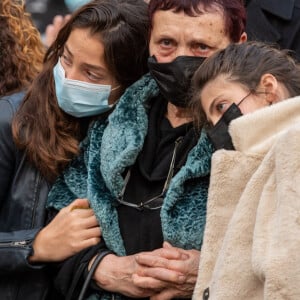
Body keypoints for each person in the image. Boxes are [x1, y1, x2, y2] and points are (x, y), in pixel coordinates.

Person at [47, 0, 247, 298]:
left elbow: (279, 249)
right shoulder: (109, 120)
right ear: (149, 41)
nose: (181, 59)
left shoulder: (255, 137)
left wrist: (213, 272)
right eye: (166, 43)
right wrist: (101, 267)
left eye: (201, 47)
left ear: (239, 46)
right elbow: (60, 219)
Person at [0, 0, 149, 299]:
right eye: (66, 59)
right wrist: (35, 245)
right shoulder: (11, 122)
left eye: (92, 75)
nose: (69, 79)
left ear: (130, 82)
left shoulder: (141, 139)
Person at [191, 41, 300, 299]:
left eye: (221, 106)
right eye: (211, 120)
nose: (218, 125)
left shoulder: (293, 149)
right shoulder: (260, 163)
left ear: (268, 90)